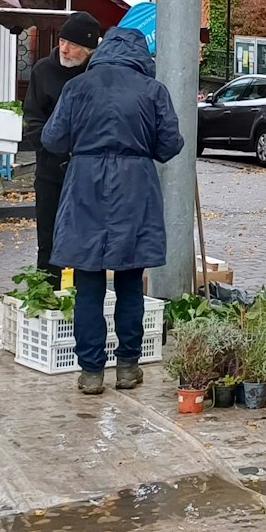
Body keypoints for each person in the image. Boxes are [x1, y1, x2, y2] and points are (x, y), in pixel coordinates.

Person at [41, 27, 184, 396]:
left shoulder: (77, 87)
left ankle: (90, 372)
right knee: (129, 280)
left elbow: (52, 138)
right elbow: (169, 145)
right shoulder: (153, 90)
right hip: (134, 185)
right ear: (141, 55)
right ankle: (127, 366)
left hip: (85, 182)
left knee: (88, 282)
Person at [24, 11, 101, 276]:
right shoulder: (43, 70)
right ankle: (46, 290)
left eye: (73, 45)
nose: (65, 49)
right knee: (48, 236)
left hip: (87, 172)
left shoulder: (98, 74)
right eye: (63, 41)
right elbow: (32, 117)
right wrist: (48, 146)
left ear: (90, 50)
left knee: (85, 238)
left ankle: (80, 295)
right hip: (50, 170)